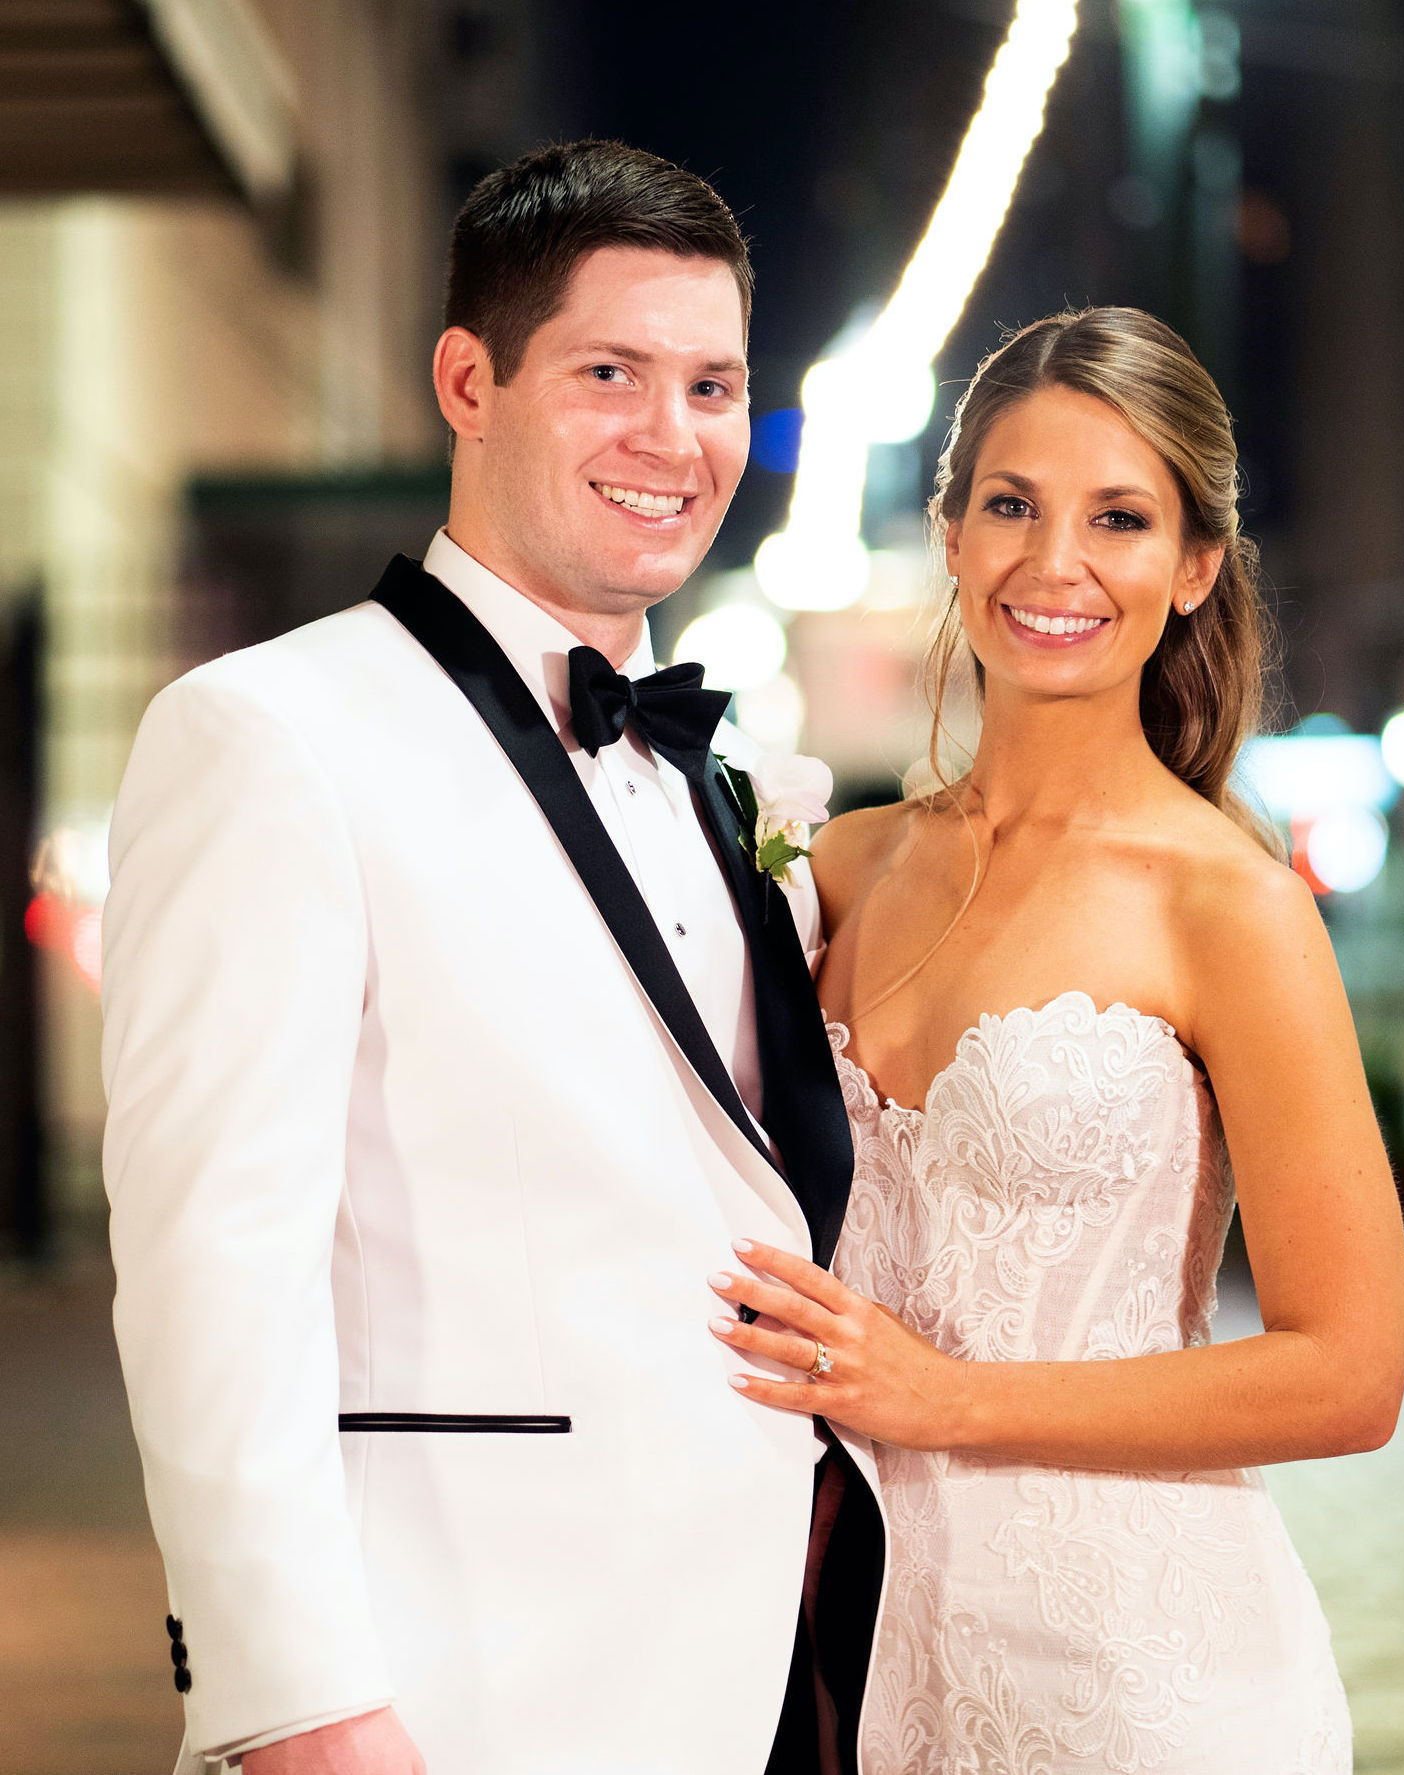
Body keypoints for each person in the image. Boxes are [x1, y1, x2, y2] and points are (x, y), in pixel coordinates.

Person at [102, 139, 880, 1775]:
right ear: (469, 379)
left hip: (741, 1669)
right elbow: (210, 1275)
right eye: (611, 373)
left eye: (714, 385)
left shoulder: (723, 785)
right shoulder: (271, 733)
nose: (672, 439)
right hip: (440, 1684)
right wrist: (296, 1703)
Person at [705, 307, 1404, 1773]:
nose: (1054, 564)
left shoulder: (1227, 904)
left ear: (1194, 567)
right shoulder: (838, 867)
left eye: (1120, 519)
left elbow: (1350, 1372)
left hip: (1148, 1685)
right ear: (951, 532)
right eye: (1012, 505)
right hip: (858, 1657)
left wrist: (941, 1398)